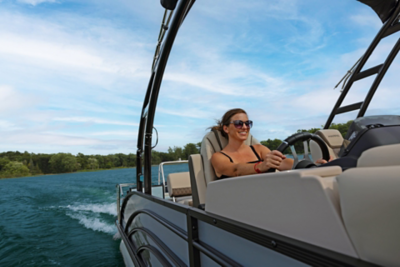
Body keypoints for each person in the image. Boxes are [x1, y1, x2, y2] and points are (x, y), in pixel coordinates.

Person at [211, 108, 294, 179]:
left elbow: (281, 163)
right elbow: (236, 170)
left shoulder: (259, 149)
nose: (244, 127)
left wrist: (303, 165)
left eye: (247, 123)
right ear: (226, 129)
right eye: (238, 124)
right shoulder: (218, 157)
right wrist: (261, 166)